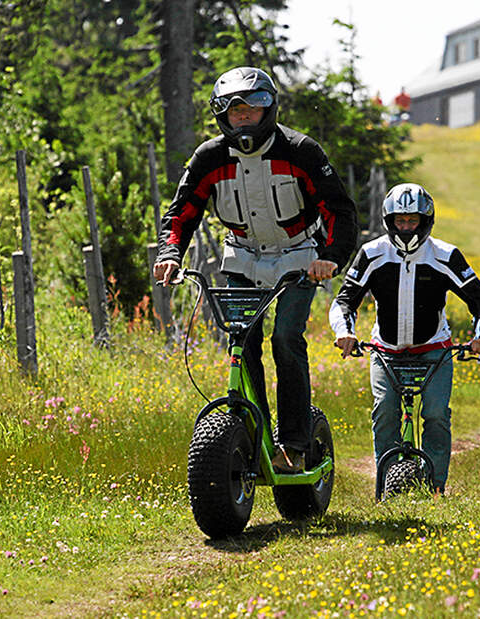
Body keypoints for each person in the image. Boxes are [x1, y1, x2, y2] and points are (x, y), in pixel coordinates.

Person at [153, 66, 359, 473]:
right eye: (235, 112)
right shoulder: (208, 157)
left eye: (252, 108)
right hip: (242, 259)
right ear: (222, 116)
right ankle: (256, 437)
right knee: (241, 344)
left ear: (269, 109)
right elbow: (182, 212)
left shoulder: (301, 151)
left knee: (286, 338)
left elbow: (339, 210)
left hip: (299, 259)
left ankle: (296, 445)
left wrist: (331, 258)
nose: (243, 117)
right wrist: (172, 253)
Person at [330, 183, 480, 494]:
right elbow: (344, 300)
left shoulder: (445, 255)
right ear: (389, 221)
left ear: (426, 220)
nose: (406, 228)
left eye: (413, 221)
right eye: (399, 221)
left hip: (434, 350)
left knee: (435, 414)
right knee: (384, 412)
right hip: (385, 350)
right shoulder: (372, 254)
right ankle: (386, 483)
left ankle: (435, 486)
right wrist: (345, 333)